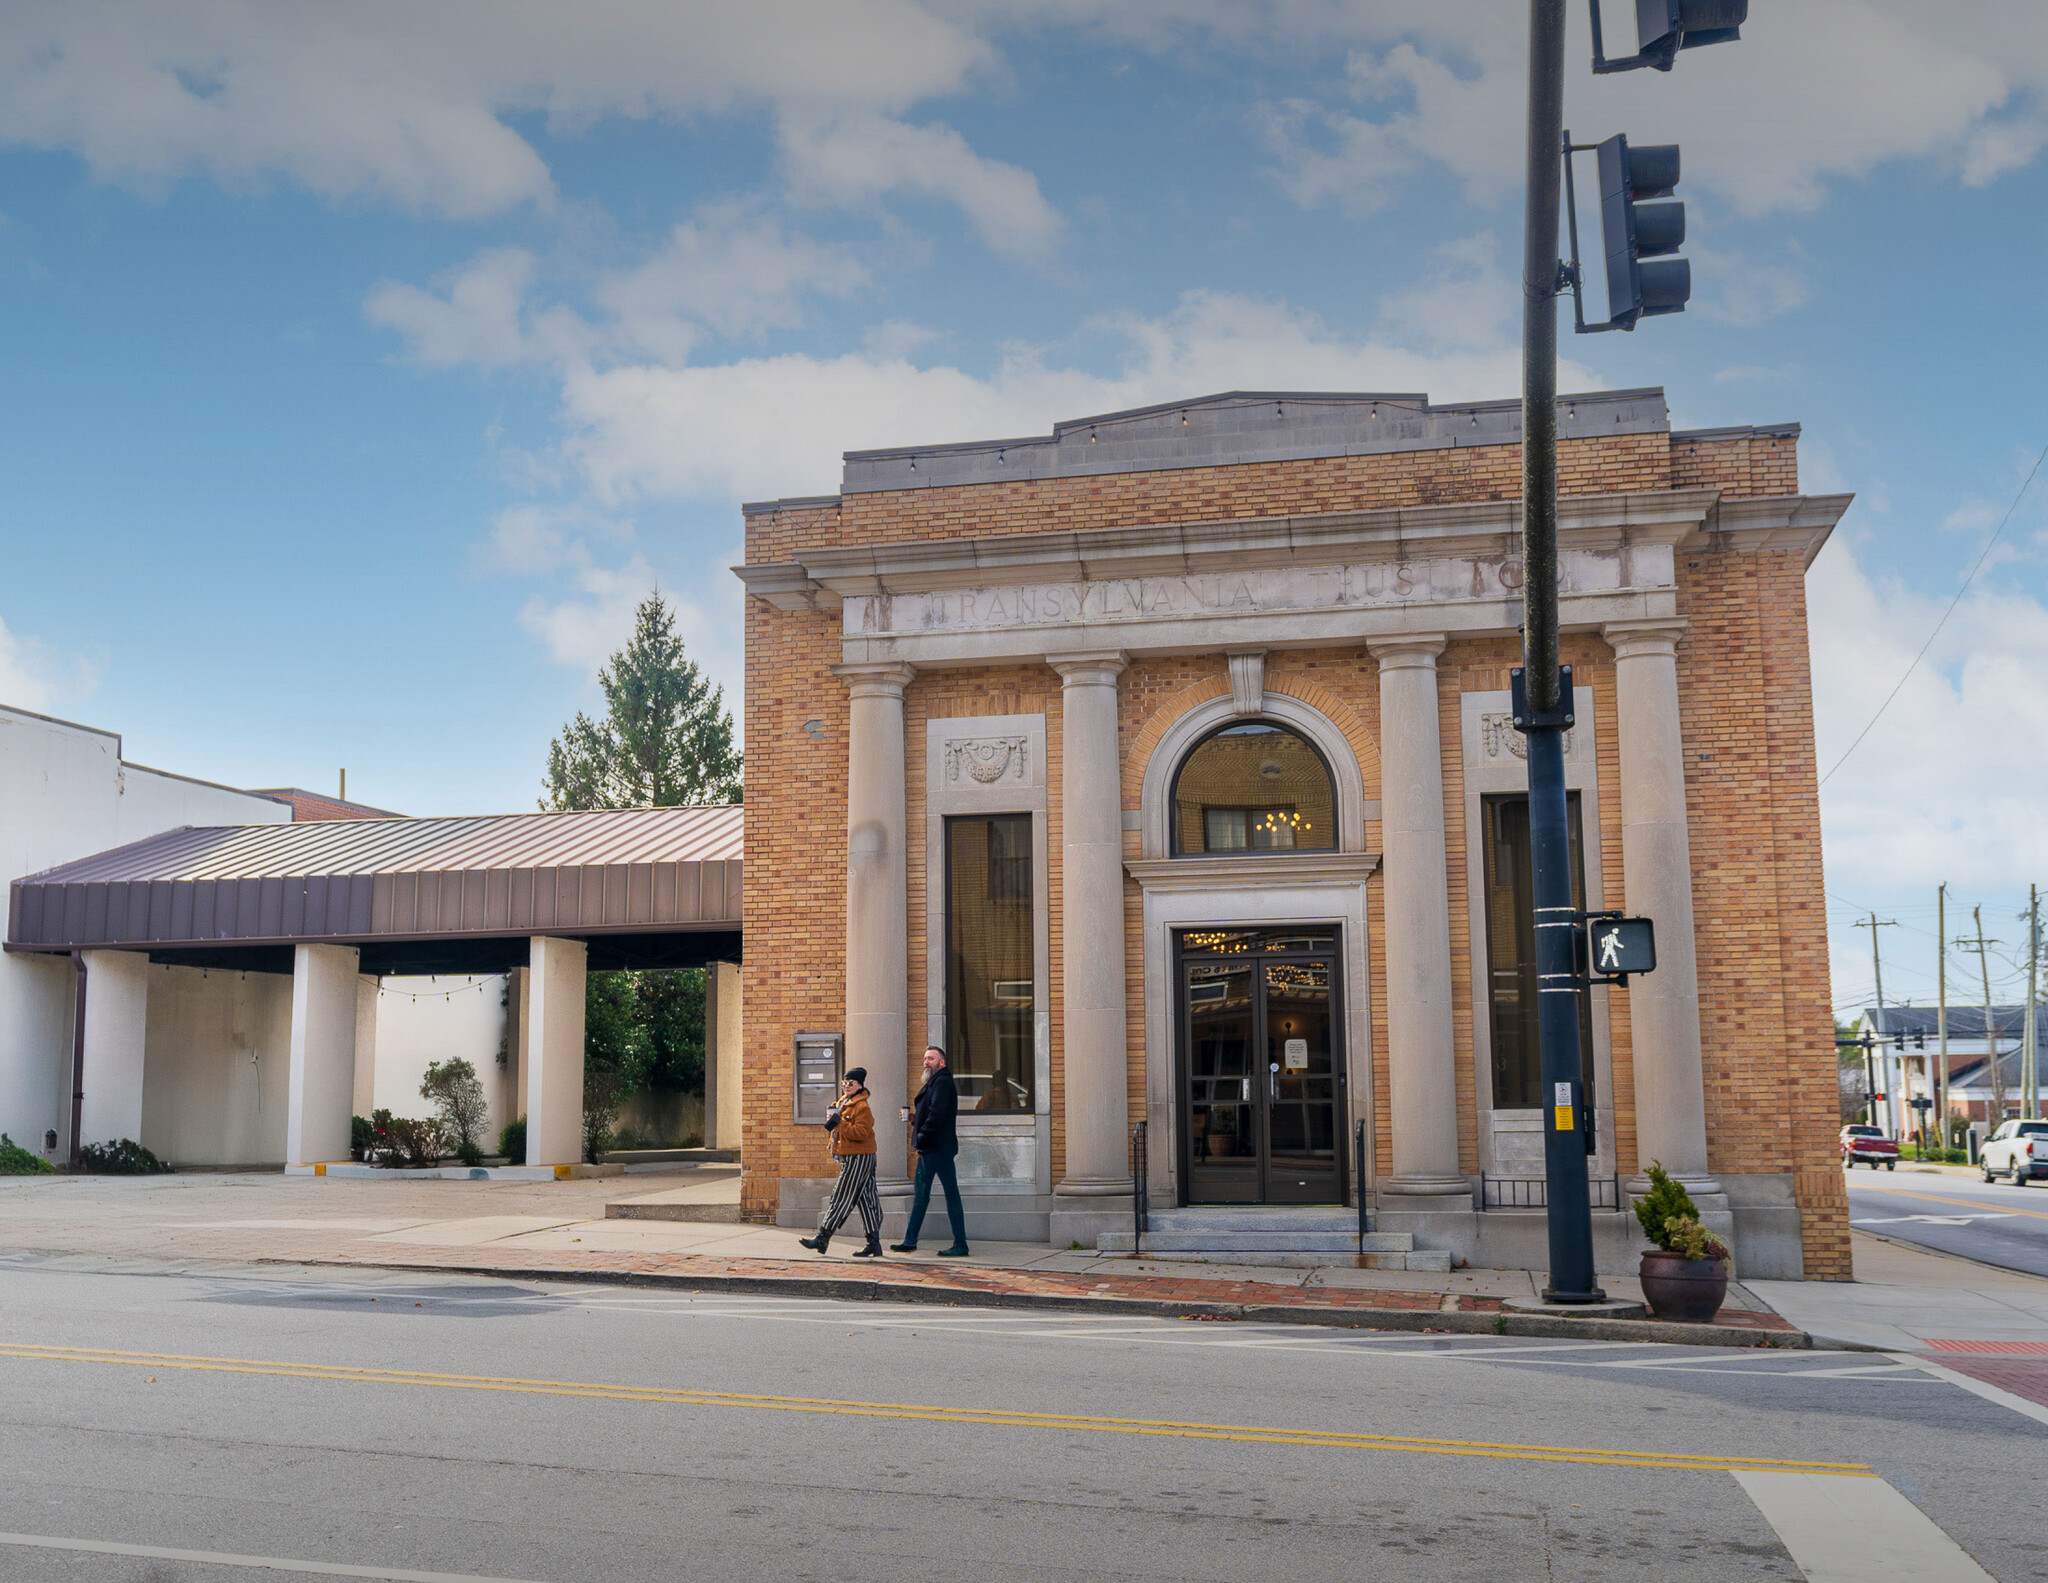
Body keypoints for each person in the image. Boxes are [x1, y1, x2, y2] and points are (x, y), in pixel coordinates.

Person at [891, 1045, 969, 1256]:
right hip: (934, 1147)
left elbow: (937, 1115)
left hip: (936, 1148)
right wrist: (915, 1120)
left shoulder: (942, 1083)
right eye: (925, 1058)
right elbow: (931, 1114)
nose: (926, 1062)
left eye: (931, 1059)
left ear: (941, 1063)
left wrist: (922, 1137)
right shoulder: (935, 1083)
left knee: (943, 1195)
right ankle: (911, 1240)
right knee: (926, 1196)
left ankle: (959, 1244)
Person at [800, 1068, 883, 1257]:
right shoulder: (842, 1103)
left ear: (860, 1085)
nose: (846, 1086)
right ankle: (874, 1243)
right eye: (844, 1083)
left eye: (851, 1083)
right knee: (866, 1199)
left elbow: (861, 1133)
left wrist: (839, 1123)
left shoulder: (862, 1107)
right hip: (854, 1156)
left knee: (841, 1195)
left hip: (859, 1157)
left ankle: (822, 1237)